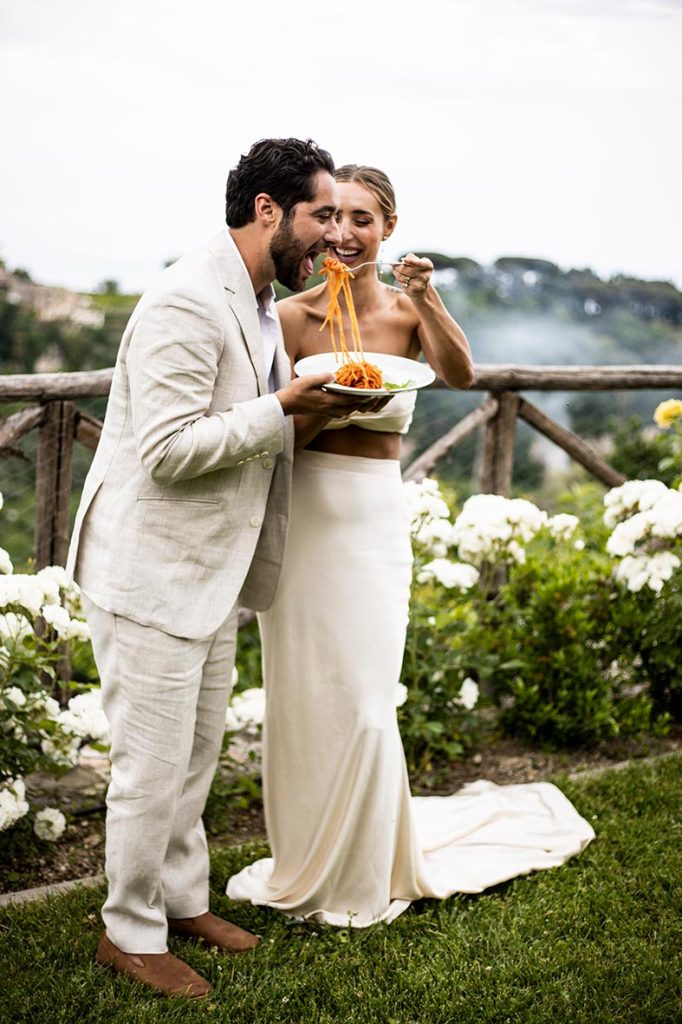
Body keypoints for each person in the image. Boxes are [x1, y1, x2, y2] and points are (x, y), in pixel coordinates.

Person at [227, 164, 595, 927]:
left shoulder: (404, 313)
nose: (344, 234)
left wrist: (428, 296)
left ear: (388, 228)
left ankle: (369, 865)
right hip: (301, 519)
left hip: (371, 523)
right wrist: (328, 409)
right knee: (306, 697)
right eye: (332, 218)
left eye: (362, 219)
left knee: (366, 701)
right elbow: (272, 432)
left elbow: (459, 375)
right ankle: (307, 859)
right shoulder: (288, 318)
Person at [66, 139, 381, 998]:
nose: (334, 235)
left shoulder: (258, 294)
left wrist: (317, 411)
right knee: (149, 769)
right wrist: (282, 407)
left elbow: (251, 424)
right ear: (268, 210)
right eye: (321, 214)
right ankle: (128, 933)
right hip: (151, 573)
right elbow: (169, 451)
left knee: (196, 754)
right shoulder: (185, 299)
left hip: (209, 569)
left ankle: (180, 901)